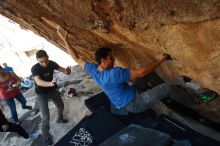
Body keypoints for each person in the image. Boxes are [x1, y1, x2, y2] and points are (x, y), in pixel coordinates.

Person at [57, 27, 194, 114]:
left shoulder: (93, 69)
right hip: (135, 103)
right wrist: (161, 59)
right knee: (167, 88)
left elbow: (76, 58)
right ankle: (194, 100)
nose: (114, 59)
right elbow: (141, 72)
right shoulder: (113, 74)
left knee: (150, 74)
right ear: (103, 61)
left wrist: (65, 40)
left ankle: (165, 96)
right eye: (111, 58)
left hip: (131, 93)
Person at [31, 49, 71, 145]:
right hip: (41, 93)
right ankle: (45, 136)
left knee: (60, 106)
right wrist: (50, 83)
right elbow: (38, 82)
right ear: (37, 60)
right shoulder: (34, 68)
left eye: (46, 61)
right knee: (45, 117)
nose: (44, 64)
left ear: (48, 57)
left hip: (51, 89)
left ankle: (60, 118)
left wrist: (67, 71)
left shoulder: (52, 63)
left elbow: (63, 70)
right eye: (41, 62)